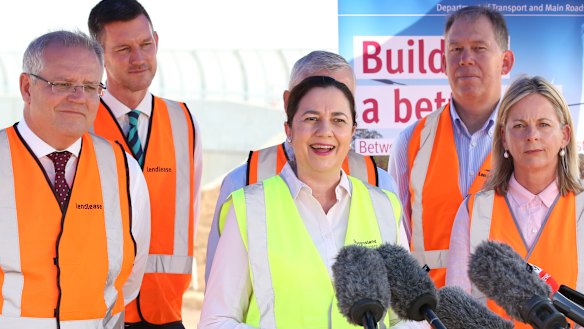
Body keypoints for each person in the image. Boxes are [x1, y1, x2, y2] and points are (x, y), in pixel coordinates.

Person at [199, 76, 427, 329]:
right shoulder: (249, 209)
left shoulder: (384, 207)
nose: (325, 131)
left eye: (338, 120)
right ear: (289, 130)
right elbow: (216, 321)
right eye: (311, 119)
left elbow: (408, 319)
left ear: (352, 132)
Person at [205, 50, 399, 283]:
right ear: (289, 102)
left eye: (341, 96)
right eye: (312, 97)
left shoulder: (381, 184)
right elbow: (220, 296)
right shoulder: (242, 182)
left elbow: (399, 300)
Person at [0, 30, 150, 328]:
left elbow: (129, 278)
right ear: (27, 87)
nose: (79, 97)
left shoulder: (124, 170)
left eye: (91, 86)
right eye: (63, 84)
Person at [88, 0, 202, 327]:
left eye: (145, 44)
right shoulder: (78, 123)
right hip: (96, 312)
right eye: (123, 48)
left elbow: (189, 212)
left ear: (157, 40)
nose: (138, 58)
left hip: (166, 312)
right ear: (98, 55)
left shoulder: (184, 120)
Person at [388, 5, 515, 287]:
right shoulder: (411, 142)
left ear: (505, 62)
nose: (465, 59)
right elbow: (397, 240)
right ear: (443, 62)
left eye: (479, 48)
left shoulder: (530, 141)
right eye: (455, 49)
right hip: (432, 315)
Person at [446, 75, 584, 328]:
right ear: (504, 137)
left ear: (565, 135)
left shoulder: (581, 209)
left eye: (543, 124)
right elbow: (457, 309)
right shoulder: (474, 211)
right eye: (519, 125)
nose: (532, 135)